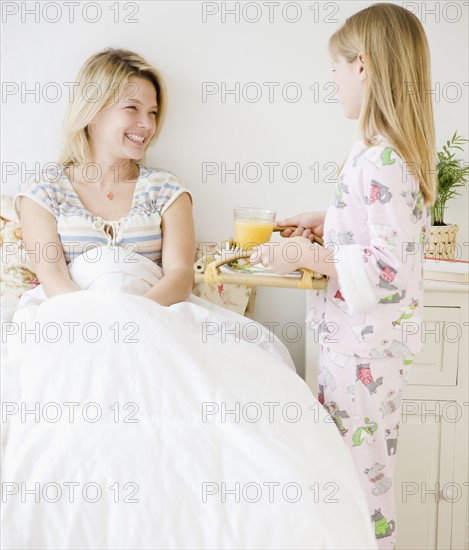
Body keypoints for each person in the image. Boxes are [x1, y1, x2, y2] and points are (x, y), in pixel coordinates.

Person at [250, 3, 435, 549]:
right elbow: (374, 233)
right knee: (348, 476)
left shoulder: (381, 160)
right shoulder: (376, 156)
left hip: (363, 356)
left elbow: (389, 268)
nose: (331, 80)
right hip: (354, 351)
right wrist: (323, 223)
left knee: (362, 483)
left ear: (364, 65)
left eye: (336, 67)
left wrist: (309, 258)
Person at [15, 48, 195, 307]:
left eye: (153, 112)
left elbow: (181, 276)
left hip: (154, 317)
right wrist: (99, 324)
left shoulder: (167, 190)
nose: (147, 124)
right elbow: (53, 278)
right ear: (92, 112)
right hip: (72, 319)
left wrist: (135, 316)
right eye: (132, 108)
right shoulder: (43, 193)